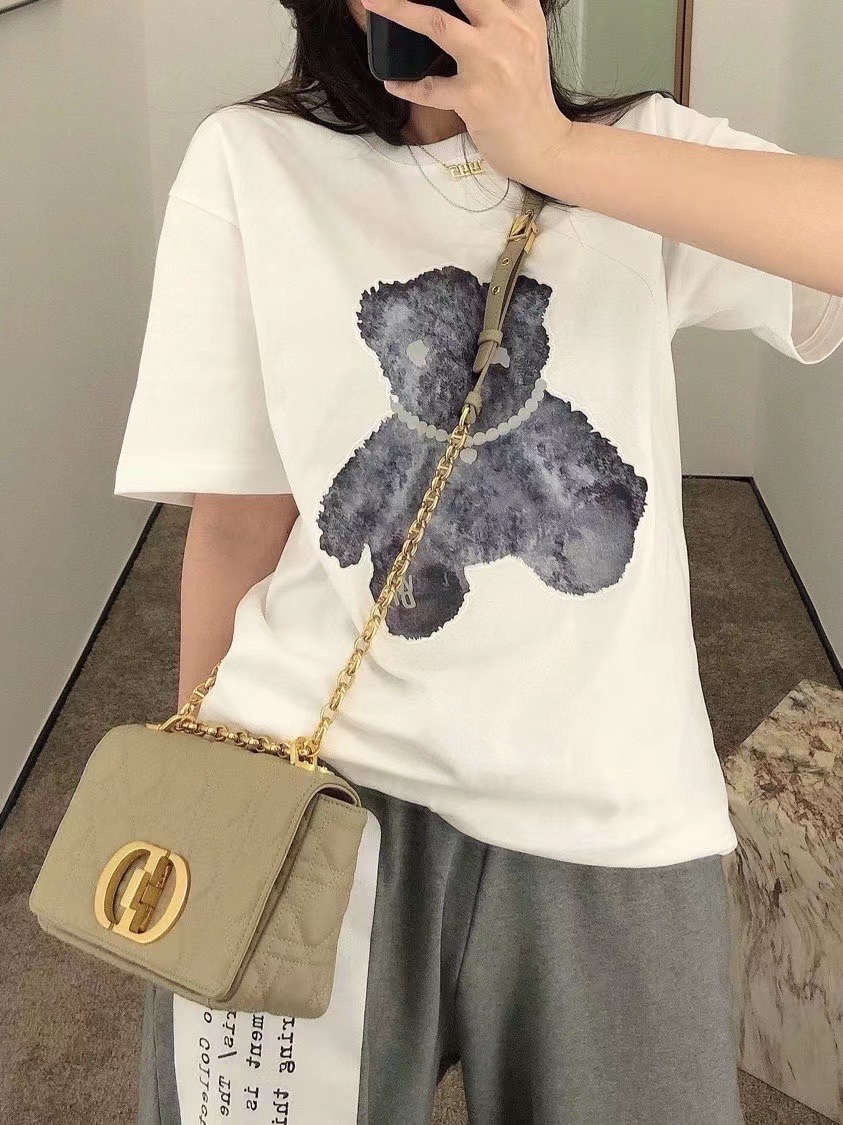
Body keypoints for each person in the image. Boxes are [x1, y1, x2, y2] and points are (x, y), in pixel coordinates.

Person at [115, 0, 843, 1121]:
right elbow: (235, 525)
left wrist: (551, 150)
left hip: (612, 801)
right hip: (312, 771)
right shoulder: (249, 160)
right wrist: (201, 786)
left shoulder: (641, 150)